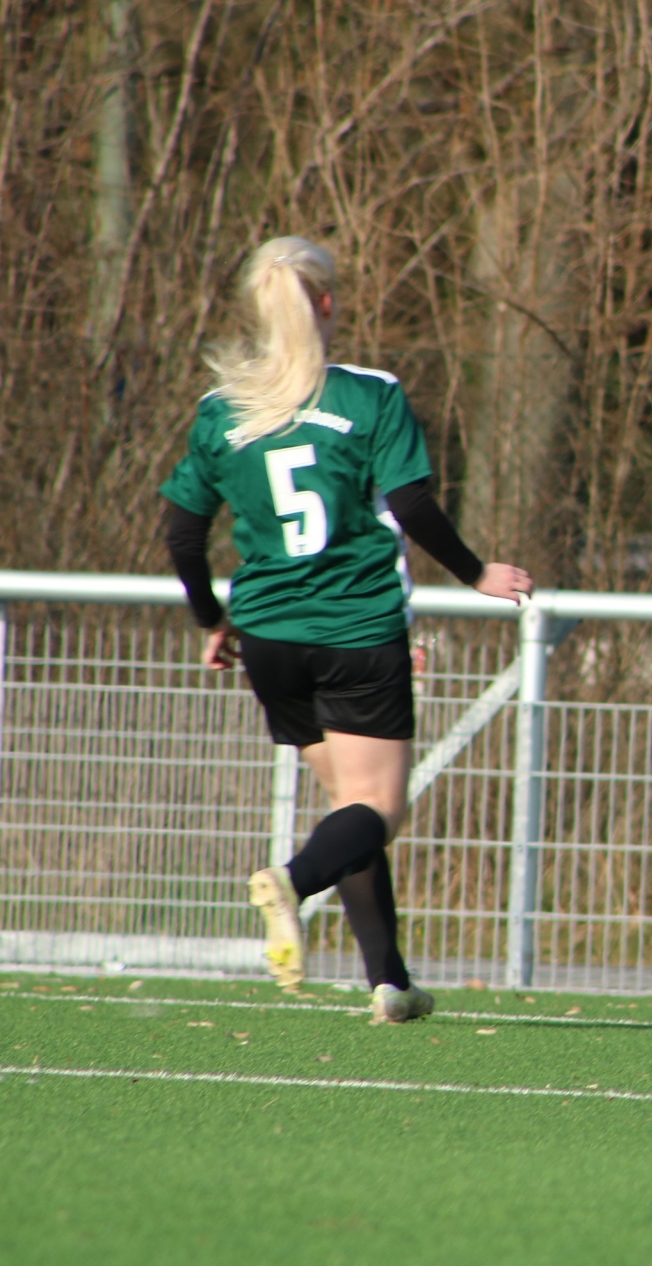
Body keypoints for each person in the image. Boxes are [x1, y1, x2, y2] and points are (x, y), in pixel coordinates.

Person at [160, 235, 533, 1024]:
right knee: (379, 808)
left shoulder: (222, 411)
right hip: (356, 630)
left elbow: (182, 533)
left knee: (351, 806)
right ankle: (291, 882)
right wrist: (478, 573)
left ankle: (389, 980)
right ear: (326, 303)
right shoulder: (369, 396)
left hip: (269, 638)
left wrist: (210, 618)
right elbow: (416, 506)